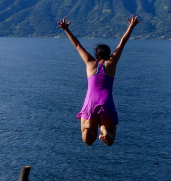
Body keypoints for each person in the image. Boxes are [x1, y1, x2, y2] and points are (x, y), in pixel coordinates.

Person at [57, 14, 140, 146]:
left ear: (96, 54)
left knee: (87, 141)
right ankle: (104, 130)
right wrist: (131, 26)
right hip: (106, 102)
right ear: (109, 55)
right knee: (110, 140)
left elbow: (78, 45)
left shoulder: (90, 63)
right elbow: (122, 43)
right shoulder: (111, 64)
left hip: (90, 101)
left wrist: (66, 29)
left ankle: (89, 126)